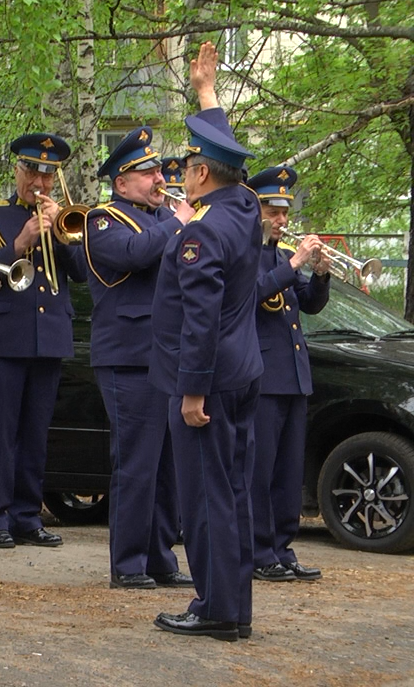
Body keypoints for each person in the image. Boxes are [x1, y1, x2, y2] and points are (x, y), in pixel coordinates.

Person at [150, 41, 262, 642]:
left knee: (206, 499)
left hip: (207, 384)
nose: (180, 176)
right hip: (242, 374)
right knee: (235, 494)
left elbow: (201, 318)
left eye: (187, 167)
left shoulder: (201, 234)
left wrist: (191, 392)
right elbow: (232, 165)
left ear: (197, 175)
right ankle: (232, 606)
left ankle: (217, 609)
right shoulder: (242, 209)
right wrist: (206, 95)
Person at [83, 127, 195, 590]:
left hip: (165, 355)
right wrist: (179, 222)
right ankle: (127, 563)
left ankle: (159, 556)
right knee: (136, 462)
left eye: (158, 171)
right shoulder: (102, 220)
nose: (158, 178)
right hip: (127, 356)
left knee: (166, 464)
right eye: (147, 173)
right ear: (121, 182)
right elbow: (135, 255)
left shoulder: (160, 218)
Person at [0, 133, 87, 549]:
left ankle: (26, 515)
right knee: (0, 433)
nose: (39, 181)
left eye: (48, 175)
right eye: (32, 171)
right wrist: (19, 243)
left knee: (37, 433)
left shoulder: (65, 218)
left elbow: (82, 273)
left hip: (49, 338)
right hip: (4, 337)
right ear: (17, 171)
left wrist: (59, 233)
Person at [247, 164, 329, 583]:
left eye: (285, 212)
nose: (282, 220)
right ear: (255, 209)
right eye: (273, 211)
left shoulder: (281, 256)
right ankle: (259, 551)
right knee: (260, 470)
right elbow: (254, 293)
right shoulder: (244, 253)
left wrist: (319, 272)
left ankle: (282, 547)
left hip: (293, 375)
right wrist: (295, 261)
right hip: (262, 377)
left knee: (288, 471)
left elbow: (309, 304)